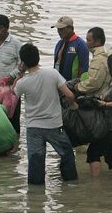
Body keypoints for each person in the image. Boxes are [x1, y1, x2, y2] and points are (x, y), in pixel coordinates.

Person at [14, 42, 77, 186]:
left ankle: (35, 198)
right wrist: (73, 105)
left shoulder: (22, 83)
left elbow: (14, 94)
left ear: (23, 62)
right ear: (38, 58)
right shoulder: (52, 74)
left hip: (33, 127)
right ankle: (71, 186)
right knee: (66, 154)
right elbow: (69, 94)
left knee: (36, 162)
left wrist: (20, 73)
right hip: (54, 125)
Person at [73, 27, 112, 96]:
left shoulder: (99, 59)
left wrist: (78, 87)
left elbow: (94, 83)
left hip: (100, 97)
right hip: (108, 93)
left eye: (89, 40)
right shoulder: (108, 53)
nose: (86, 43)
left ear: (98, 41)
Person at [52, 16, 89, 83]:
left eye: (62, 29)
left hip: (72, 85)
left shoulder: (80, 45)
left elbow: (84, 69)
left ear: (71, 28)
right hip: (58, 83)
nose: (59, 31)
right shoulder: (59, 44)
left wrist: (77, 86)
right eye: (58, 29)